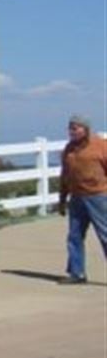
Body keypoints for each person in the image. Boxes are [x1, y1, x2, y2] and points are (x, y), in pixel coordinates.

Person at [57, 114, 107, 284]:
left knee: (105, 235)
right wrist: (62, 199)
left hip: (99, 197)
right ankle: (77, 273)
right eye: (70, 128)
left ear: (85, 129)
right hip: (77, 198)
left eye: (76, 128)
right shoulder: (69, 149)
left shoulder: (100, 145)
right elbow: (65, 175)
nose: (72, 131)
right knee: (74, 236)